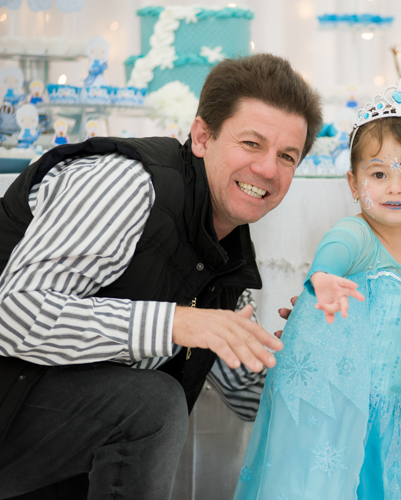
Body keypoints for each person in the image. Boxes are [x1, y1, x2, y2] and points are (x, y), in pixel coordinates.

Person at [0, 54, 322, 499]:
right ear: (202, 136)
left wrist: (309, 350)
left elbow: (243, 396)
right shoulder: (126, 184)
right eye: (252, 143)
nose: (269, 169)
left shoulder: (228, 250)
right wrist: (176, 322)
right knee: (154, 404)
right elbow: (11, 315)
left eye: (287, 156)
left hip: (47, 430)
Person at [234, 82, 401, 500]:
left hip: (397, 422)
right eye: (379, 174)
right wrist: (324, 278)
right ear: (353, 182)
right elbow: (334, 253)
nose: (394, 187)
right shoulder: (358, 236)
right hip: (343, 414)